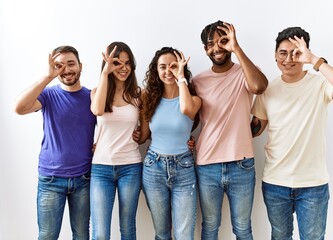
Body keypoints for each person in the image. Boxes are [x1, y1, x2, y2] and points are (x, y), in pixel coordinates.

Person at [251, 27, 333, 240]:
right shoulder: (268, 90)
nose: (289, 58)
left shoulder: (320, 84)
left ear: (305, 54)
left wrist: (315, 61)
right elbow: (254, 130)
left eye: (296, 52)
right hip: (275, 183)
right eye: (283, 52)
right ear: (275, 55)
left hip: (313, 186)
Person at [192, 20, 268, 240]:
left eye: (223, 41)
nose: (217, 48)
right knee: (210, 226)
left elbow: (259, 87)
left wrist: (236, 47)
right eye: (210, 44)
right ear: (205, 49)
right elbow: (193, 118)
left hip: (241, 164)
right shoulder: (198, 81)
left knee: (242, 227)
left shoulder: (246, 72)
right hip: (207, 165)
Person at [13, 46, 96, 240]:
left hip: (83, 178)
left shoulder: (91, 96)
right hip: (51, 179)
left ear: (80, 66)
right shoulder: (48, 95)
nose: (66, 70)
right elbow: (19, 108)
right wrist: (47, 77)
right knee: (48, 235)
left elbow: (109, 125)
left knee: (82, 235)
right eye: (59, 66)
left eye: (71, 64)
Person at [137, 47, 202, 240]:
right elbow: (145, 136)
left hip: (184, 168)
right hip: (153, 167)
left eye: (172, 66)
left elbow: (186, 109)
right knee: (162, 233)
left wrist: (180, 76)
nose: (167, 71)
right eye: (162, 67)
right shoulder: (148, 98)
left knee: (184, 235)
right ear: (156, 71)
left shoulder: (194, 99)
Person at [90, 42, 142, 240]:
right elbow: (97, 111)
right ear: (107, 64)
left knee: (128, 228)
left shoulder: (138, 94)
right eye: (117, 63)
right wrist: (105, 74)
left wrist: (141, 135)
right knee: (101, 232)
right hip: (101, 167)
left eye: (127, 63)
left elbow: (145, 133)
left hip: (130, 166)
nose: (123, 68)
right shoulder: (96, 92)